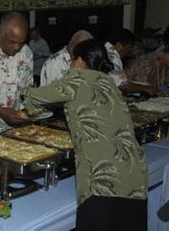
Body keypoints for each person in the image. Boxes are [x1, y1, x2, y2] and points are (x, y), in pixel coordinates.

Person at [22, 39, 147, 231]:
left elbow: (39, 95)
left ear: (79, 62)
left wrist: (26, 92)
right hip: (133, 173)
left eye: (71, 61)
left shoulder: (78, 78)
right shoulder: (109, 83)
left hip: (102, 177)